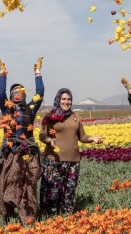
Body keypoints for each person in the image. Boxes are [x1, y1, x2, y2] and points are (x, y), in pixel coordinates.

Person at [0, 56, 44, 224]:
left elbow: (40, 93)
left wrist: (37, 72)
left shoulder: (30, 108)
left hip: (28, 152)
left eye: (22, 92)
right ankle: (9, 210)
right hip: (11, 151)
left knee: (29, 184)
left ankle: (28, 216)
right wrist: (2, 72)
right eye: (15, 92)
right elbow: (0, 91)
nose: (19, 94)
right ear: (11, 95)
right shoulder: (6, 109)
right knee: (8, 181)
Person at [38, 88, 104, 217]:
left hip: (73, 161)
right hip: (54, 159)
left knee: (70, 190)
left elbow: (82, 136)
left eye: (69, 99)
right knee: (53, 190)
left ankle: (67, 217)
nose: (66, 102)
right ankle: (50, 217)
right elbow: (42, 135)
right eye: (63, 99)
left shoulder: (75, 116)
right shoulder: (49, 116)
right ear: (58, 100)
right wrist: (49, 140)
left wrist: (93, 138)